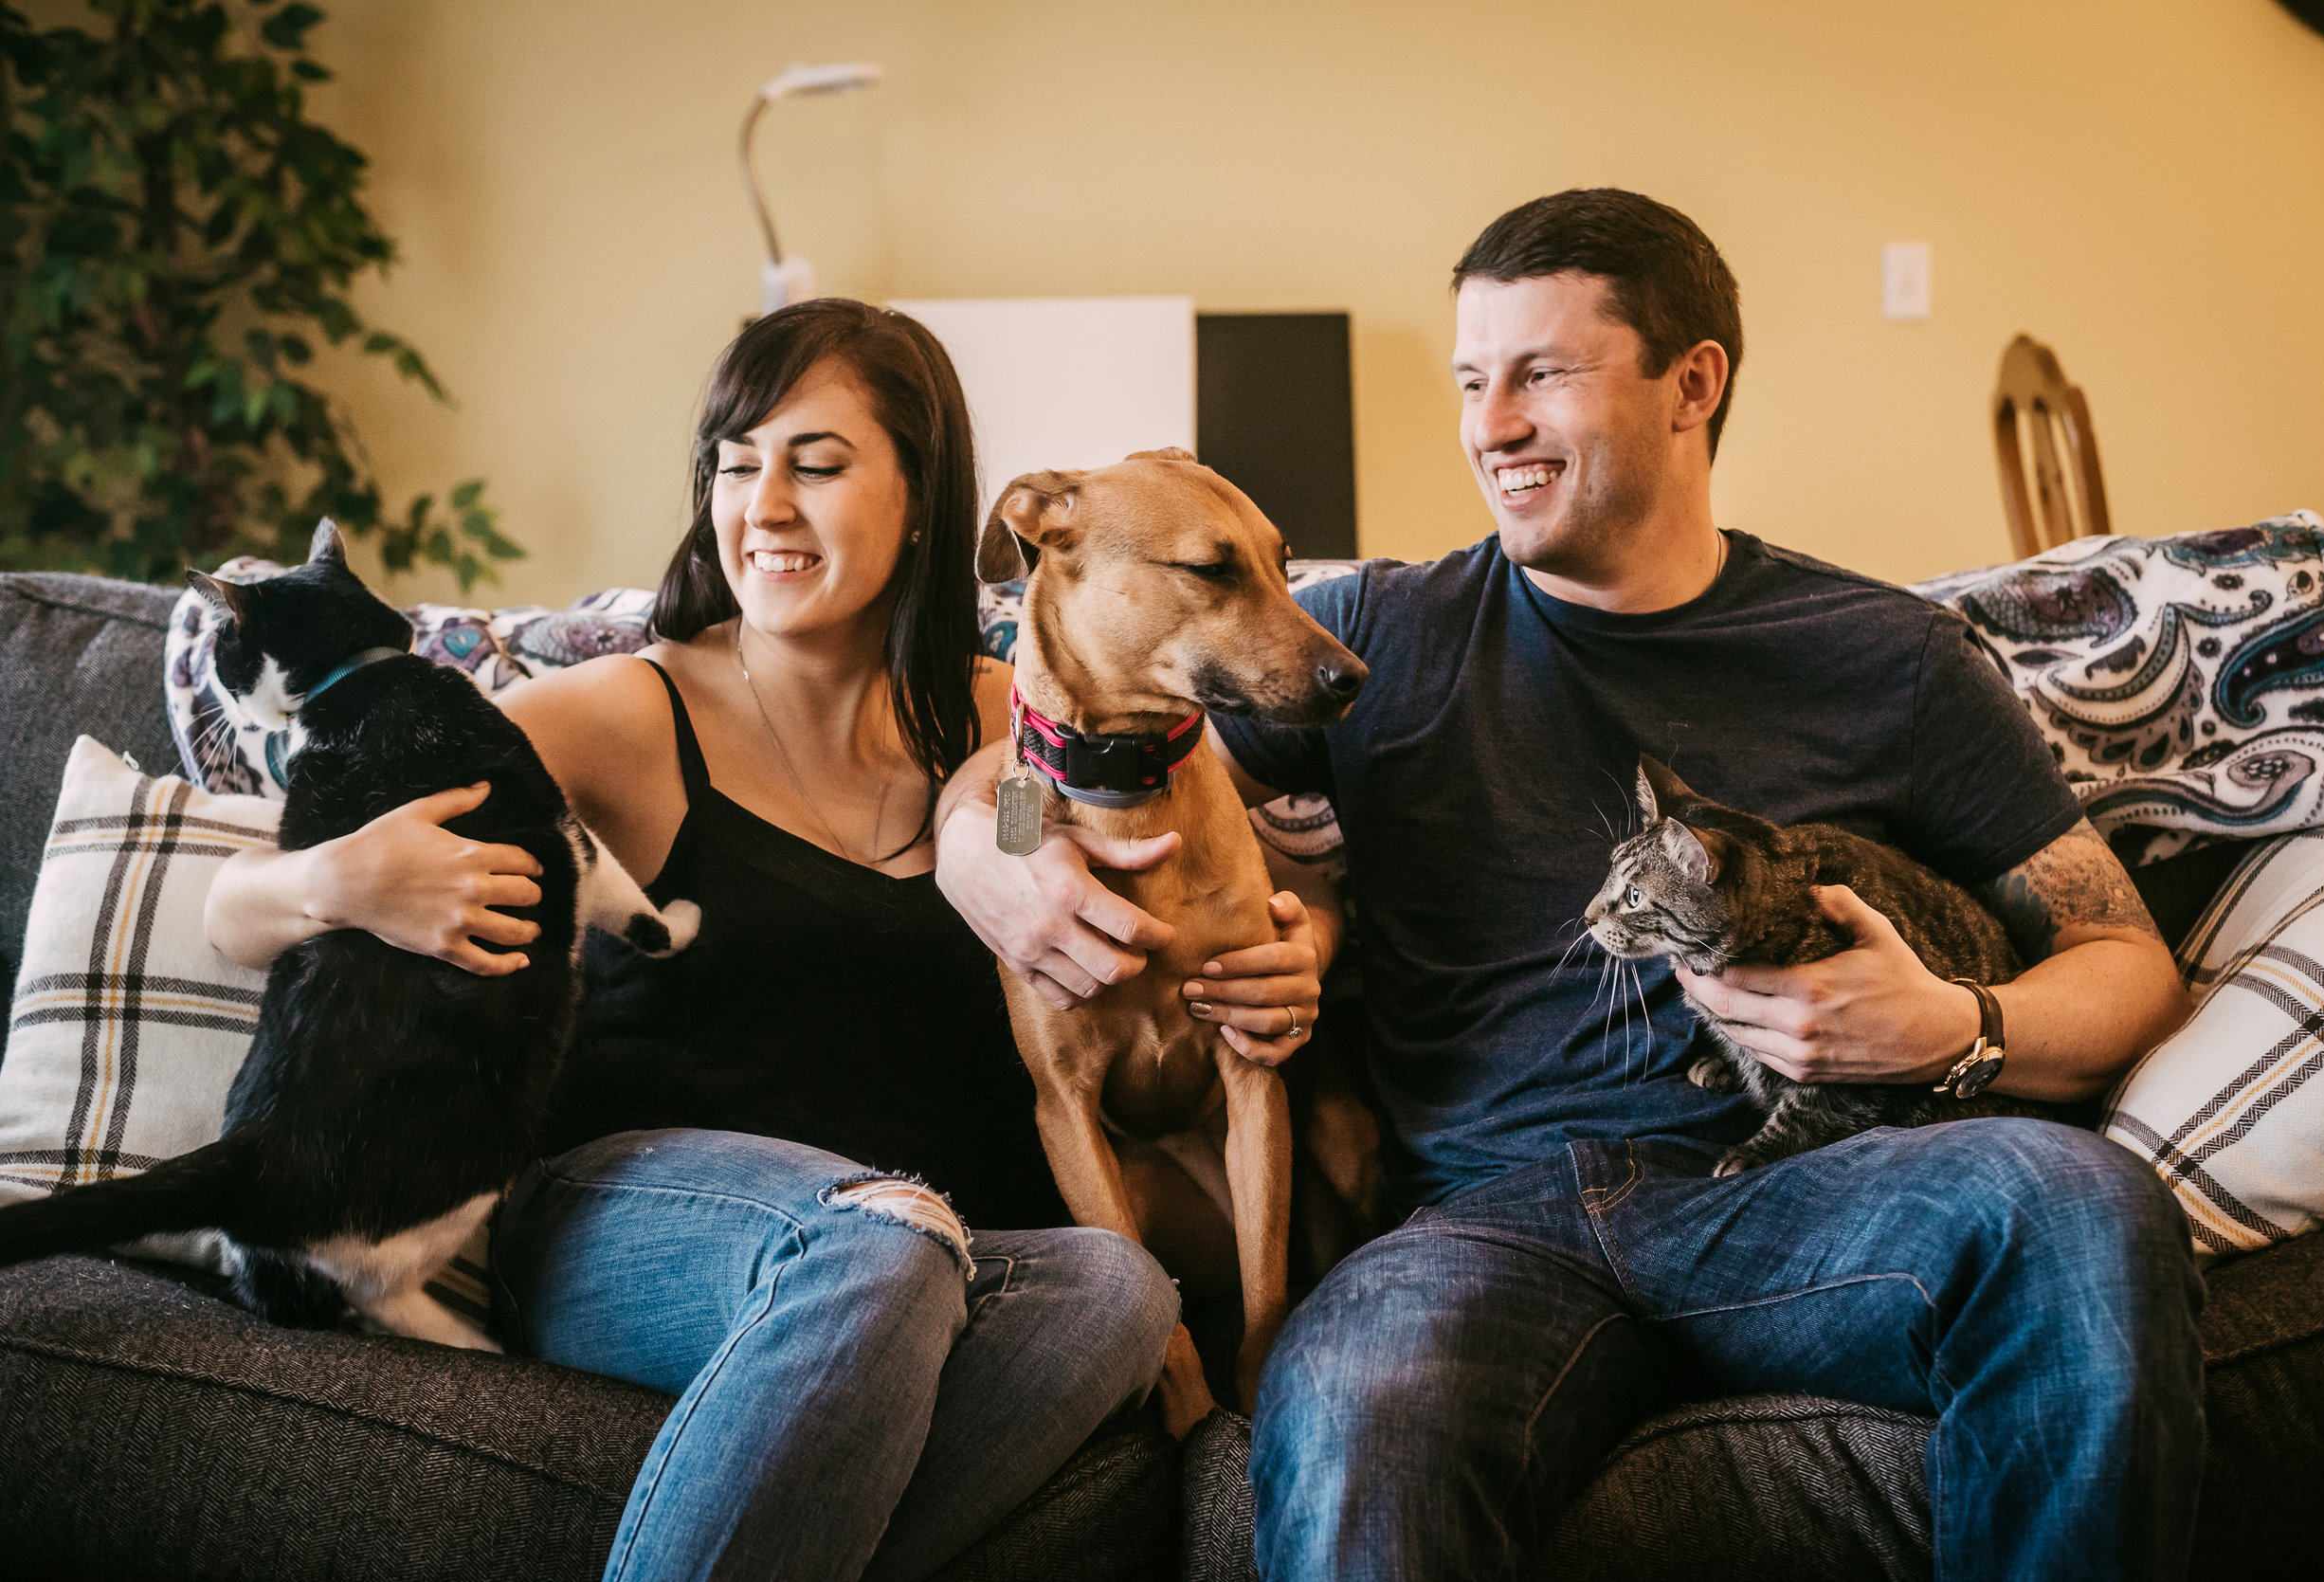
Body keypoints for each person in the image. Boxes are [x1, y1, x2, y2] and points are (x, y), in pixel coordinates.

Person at [935, 190, 2208, 1580]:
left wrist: (1955, 1026)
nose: (1490, 423)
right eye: (1475, 379)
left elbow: (2128, 963)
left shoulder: (1887, 654)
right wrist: (982, 853)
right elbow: (1061, 732)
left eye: (1542, 373)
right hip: (1480, 1223)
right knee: (1355, 1391)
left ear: (1692, 385)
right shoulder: (1366, 638)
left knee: (2081, 1206)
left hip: (1799, 1196)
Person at [202, 300, 1314, 1582]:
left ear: (921, 493)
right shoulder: (623, 708)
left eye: (818, 464)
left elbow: (1017, 812)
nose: (763, 503)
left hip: (938, 1256)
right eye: (736, 462)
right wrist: (344, 877)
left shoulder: (1004, 715)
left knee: (1120, 1295)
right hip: (639, 1217)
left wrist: (1287, 941)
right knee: (881, 1245)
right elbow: (235, 909)